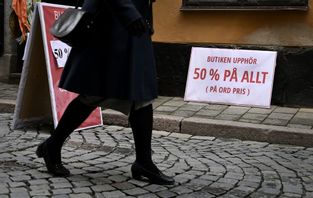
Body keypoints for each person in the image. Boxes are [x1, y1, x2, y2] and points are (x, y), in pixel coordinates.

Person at [36, 0, 175, 185]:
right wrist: (130, 14)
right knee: (95, 94)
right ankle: (52, 146)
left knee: (140, 94)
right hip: (112, 24)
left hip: (129, 25)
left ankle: (144, 161)